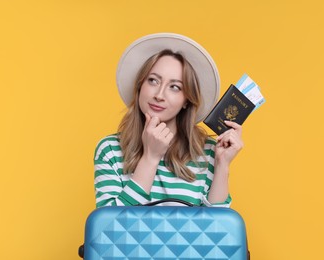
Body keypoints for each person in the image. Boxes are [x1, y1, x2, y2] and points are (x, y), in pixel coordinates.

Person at [94, 33, 243, 208]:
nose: (159, 95)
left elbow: (217, 230)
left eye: (175, 87)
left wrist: (222, 164)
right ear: (140, 86)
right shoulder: (110, 150)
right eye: (153, 81)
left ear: (187, 99)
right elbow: (111, 229)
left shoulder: (209, 152)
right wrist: (151, 157)